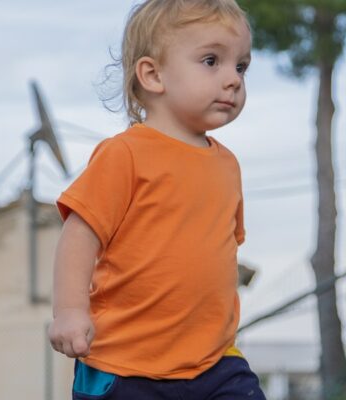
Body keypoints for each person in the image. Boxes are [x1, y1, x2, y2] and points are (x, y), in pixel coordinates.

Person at [49, 0, 267, 398]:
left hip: (213, 363)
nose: (233, 79)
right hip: (125, 364)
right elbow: (79, 237)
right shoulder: (125, 154)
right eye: (211, 60)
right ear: (153, 74)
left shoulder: (227, 165)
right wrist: (69, 311)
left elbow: (215, 256)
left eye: (241, 66)